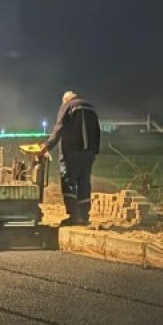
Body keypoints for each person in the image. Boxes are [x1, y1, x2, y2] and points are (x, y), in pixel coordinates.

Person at [41, 89, 101, 226]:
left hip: (71, 152)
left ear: (66, 100)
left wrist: (47, 146)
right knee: (84, 182)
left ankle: (74, 216)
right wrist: (94, 151)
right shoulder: (91, 107)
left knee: (68, 181)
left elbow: (59, 127)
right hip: (89, 153)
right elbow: (97, 130)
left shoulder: (67, 106)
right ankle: (84, 217)